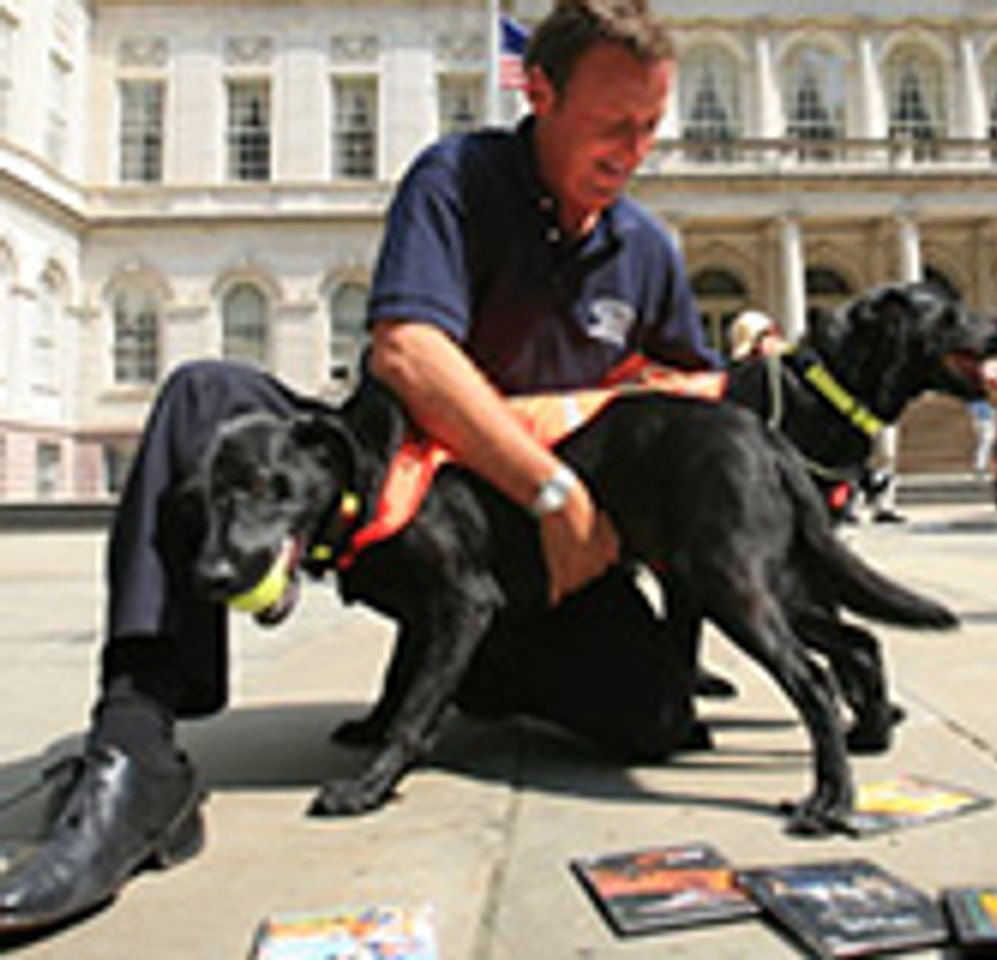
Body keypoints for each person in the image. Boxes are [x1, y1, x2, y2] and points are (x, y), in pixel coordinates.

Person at [0, 0, 718, 935]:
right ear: (538, 94)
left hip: (529, 554)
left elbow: (697, 394)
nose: (635, 150)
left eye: (650, 127)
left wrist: (612, 430)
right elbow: (406, 353)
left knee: (655, 717)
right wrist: (549, 480)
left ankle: (478, 662)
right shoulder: (457, 178)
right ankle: (135, 754)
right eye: (612, 125)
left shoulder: (649, 250)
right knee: (203, 397)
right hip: (392, 503)